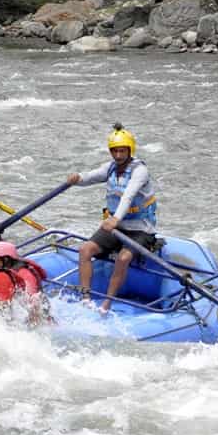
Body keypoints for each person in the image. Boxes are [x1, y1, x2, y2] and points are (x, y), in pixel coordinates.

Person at [65, 123, 158, 313]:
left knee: (123, 258)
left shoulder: (140, 171)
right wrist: (78, 178)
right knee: (84, 250)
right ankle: (85, 297)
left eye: (122, 151)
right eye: (114, 151)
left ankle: (107, 302)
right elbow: (90, 177)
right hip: (116, 228)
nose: (118, 156)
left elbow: (129, 195)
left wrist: (115, 218)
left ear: (130, 150)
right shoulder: (110, 168)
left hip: (140, 229)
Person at [0, 241, 51, 326]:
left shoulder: (24, 273)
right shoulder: (8, 273)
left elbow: (32, 301)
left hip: (40, 320)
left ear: (6, 259)